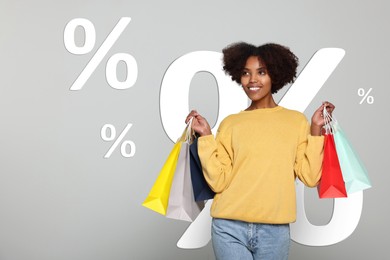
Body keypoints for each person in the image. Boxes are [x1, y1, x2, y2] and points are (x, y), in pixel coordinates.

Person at [185, 42, 334, 260]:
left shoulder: (295, 122)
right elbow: (218, 182)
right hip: (228, 227)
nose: (252, 80)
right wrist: (206, 136)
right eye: (246, 73)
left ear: (275, 74)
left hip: (274, 231)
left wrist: (315, 129)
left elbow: (311, 177)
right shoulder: (231, 124)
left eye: (261, 72)